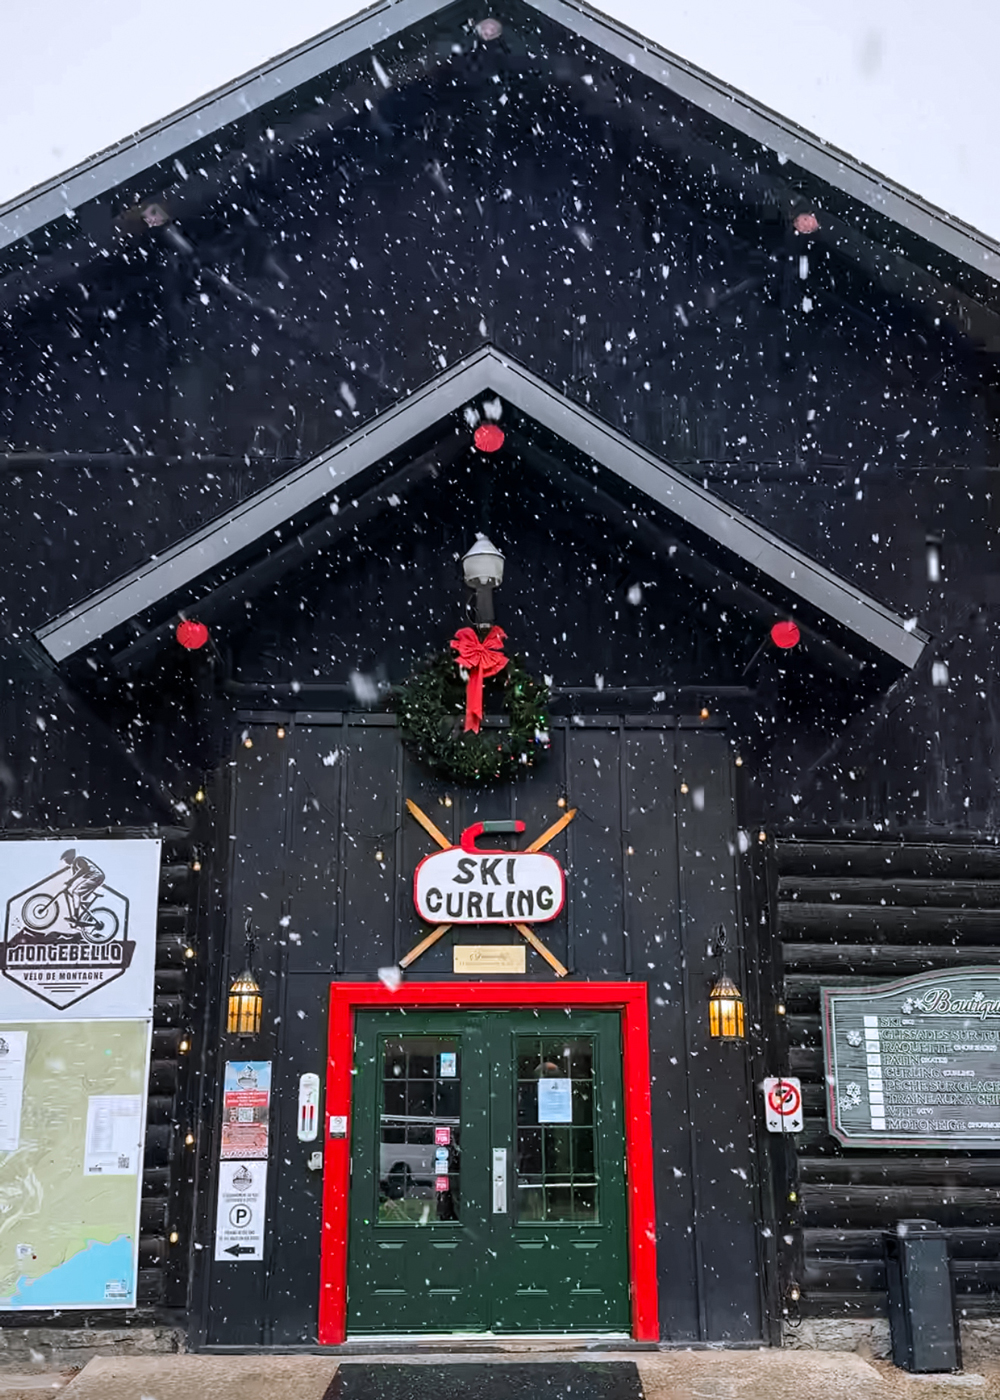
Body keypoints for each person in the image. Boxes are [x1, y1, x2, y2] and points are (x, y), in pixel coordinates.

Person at [59, 849, 105, 926]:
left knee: (76, 892)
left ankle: (75, 916)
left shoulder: (78, 860)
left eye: (66, 860)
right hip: (96, 877)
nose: (66, 862)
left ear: (70, 858)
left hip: (95, 877)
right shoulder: (74, 865)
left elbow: (83, 869)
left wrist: (71, 880)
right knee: (81, 899)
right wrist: (70, 882)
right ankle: (89, 916)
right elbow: (75, 874)